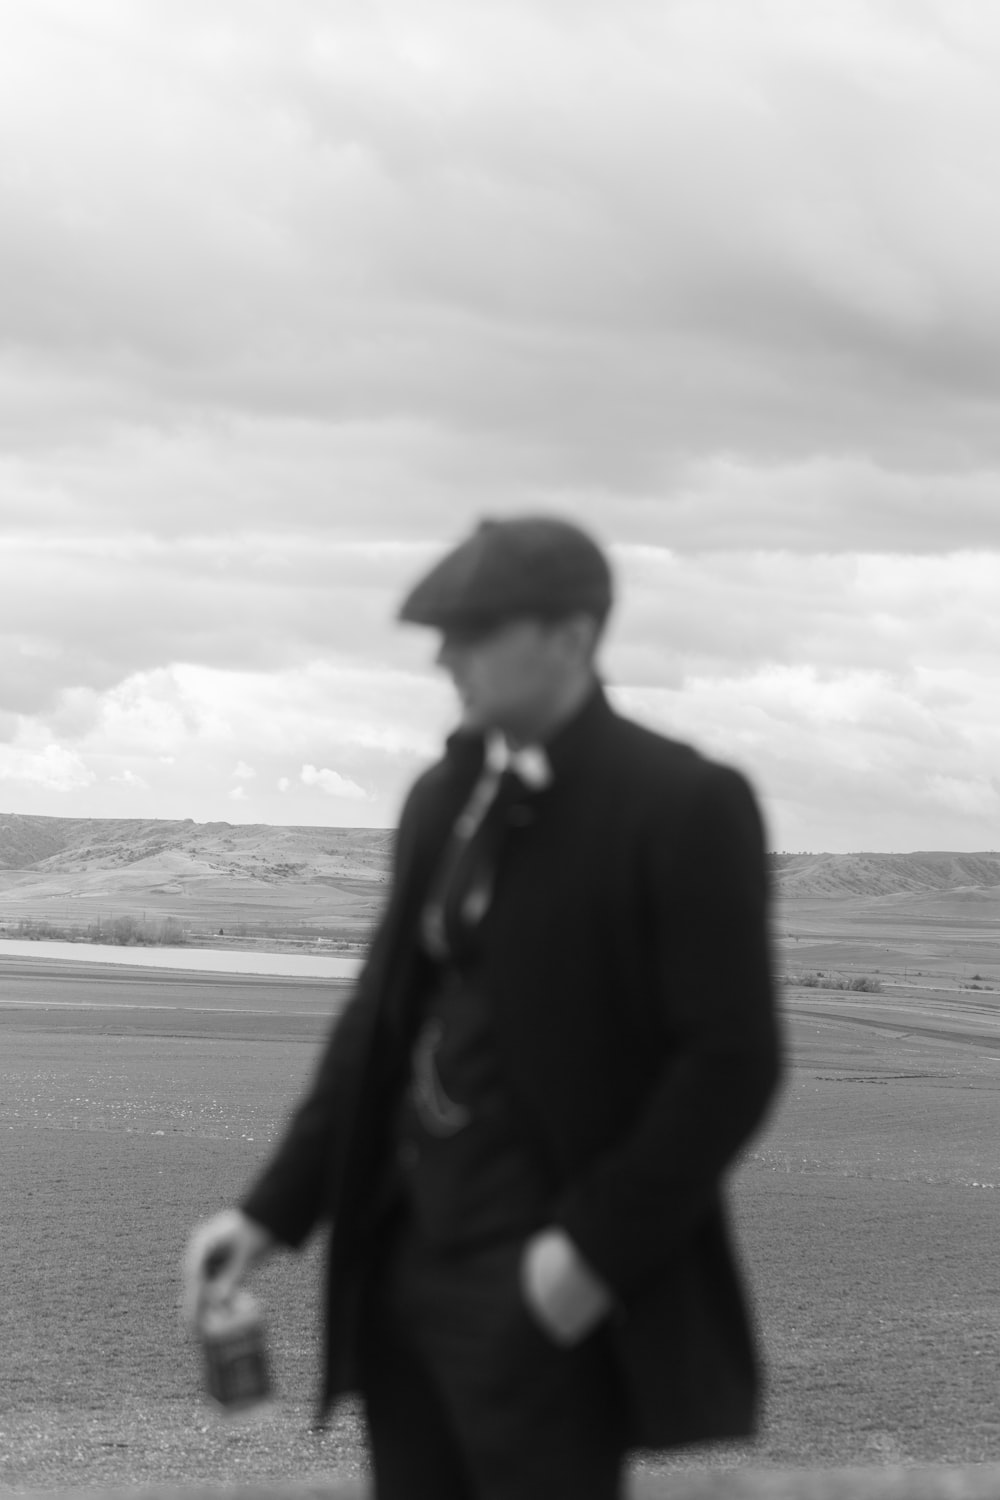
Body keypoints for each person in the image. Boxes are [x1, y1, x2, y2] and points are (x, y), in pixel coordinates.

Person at [183, 516, 782, 1500]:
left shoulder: (682, 803)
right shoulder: (441, 797)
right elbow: (375, 1029)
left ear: (572, 636)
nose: (445, 655)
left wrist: (583, 1260)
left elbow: (731, 1063)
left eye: (476, 629)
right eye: (443, 631)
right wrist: (268, 1213)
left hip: (541, 1292)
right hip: (403, 1271)